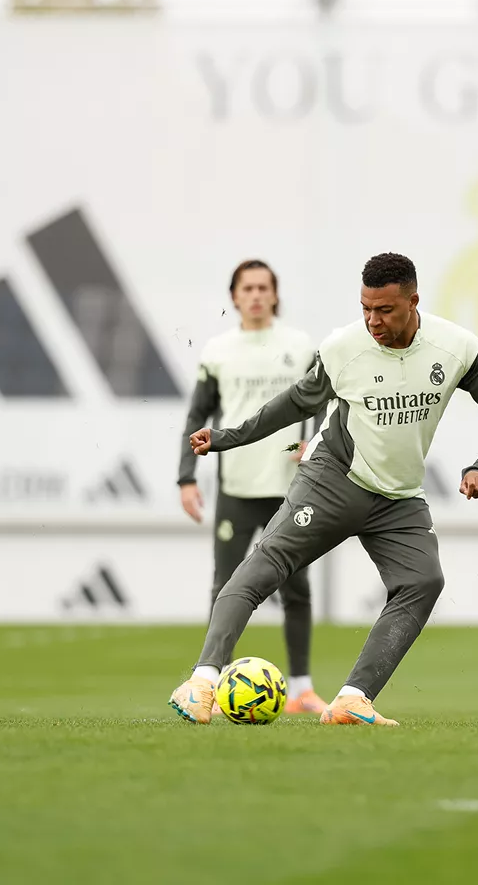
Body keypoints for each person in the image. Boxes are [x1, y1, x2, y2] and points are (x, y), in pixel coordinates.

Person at [168, 252, 478, 727]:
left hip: (398, 499)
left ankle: (353, 699)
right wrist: (228, 438)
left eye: (385, 310)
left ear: (414, 301)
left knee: (423, 582)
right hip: (333, 481)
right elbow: (293, 404)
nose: (373, 321)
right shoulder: (343, 348)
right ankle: (202, 682)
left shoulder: (458, 347)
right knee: (263, 568)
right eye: (365, 309)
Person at [177, 260, 326, 714]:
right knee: (226, 587)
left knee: (296, 589)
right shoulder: (218, 350)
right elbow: (196, 416)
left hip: (290, 490)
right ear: (235, 297)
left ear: (275, 295)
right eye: (248, 288)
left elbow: (327, 400)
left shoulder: (300, 346)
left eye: (264, 287)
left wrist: (315, 439)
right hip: (237, 488)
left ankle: (301, 688)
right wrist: (186, 477)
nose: (257, 295)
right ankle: (210, 686)